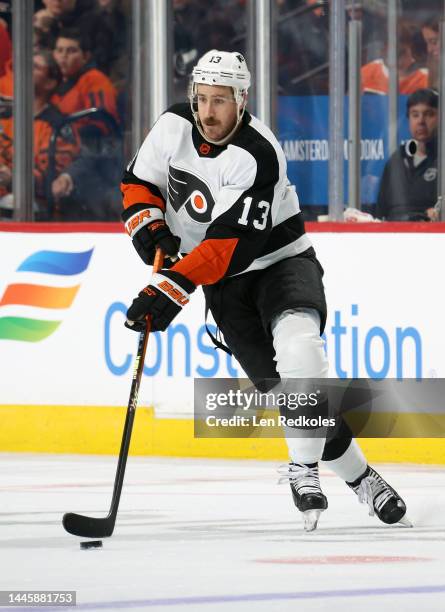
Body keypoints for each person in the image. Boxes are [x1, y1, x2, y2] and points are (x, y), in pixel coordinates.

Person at [120, 50, 410, 531]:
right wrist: (149, 229)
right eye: (202, 99)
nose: (209, 113)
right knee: (293, 397)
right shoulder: (173, 125)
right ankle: (362, 479)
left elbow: (228, 246)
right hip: (223, 288)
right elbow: (137, 182)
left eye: (220, 101)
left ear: (242, 100)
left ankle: (303, 469)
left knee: (301, 355)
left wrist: (169, 289)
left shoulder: (259, 153)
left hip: (280, 264)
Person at [0, 50, 80, 220]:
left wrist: (12, 178)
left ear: (50, 83)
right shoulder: (5, 116)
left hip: (36, 215)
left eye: (34, 67)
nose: (24, 70)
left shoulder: (58, 125)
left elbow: (51, 180)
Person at [376, 88, 438, 221]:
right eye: (415, 115)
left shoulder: (441, 159)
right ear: (408, 119)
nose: (421, 121)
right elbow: (380, 212)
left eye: (428, 114)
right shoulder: (397, 160)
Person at [51, 27, 119, 121]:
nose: (63, 56)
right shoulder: (49, 81)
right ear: (53, 54)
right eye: (59, 50)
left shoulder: (94, 79)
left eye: (71, 51)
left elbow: (103, 122)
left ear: (86, 56)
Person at [361, 23, 428, 95]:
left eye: (402, 53)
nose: (398, 61)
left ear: (411, 48)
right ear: (385, 47)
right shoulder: (368, 72)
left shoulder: (424, 76)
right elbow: (351, 101)